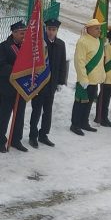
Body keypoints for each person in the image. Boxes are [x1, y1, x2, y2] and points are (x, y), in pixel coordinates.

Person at [30, 19, 67, 148]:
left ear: (57, 31)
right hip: (40, 84)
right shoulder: (40, 43)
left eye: (54, 30)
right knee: (36, 110)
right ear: (45, 29)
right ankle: (33, 136)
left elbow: (62, 64)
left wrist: (60, 82)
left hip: (52, 84)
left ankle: (43, 134)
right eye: (49, 29)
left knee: (48, 111)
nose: (51, 32)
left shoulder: (60, 44)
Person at [0, 22, 28, 153]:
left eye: (25, 33)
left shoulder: (27, 47)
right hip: (7, 87)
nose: (24, 35)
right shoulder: (4, 47)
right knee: (4, 115)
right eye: (21, 33)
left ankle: (16, 140)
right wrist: (17, 70)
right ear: (13, 33)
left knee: (19, 115)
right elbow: (0, 65)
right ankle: (1, 140)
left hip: (22, 87)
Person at [70, 19, 105, 136]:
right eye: (96, 28)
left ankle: (84, 122)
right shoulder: (83, 42)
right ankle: (75, 124)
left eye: (99, 28)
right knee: (80, 102)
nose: (99, 30)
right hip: (85, 79)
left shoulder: (99, 41)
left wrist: (102, 75)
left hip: (95, 80)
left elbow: (100, 61)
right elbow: (79, 61)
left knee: (89, 102)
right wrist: (83, 78)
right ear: (89, 29)